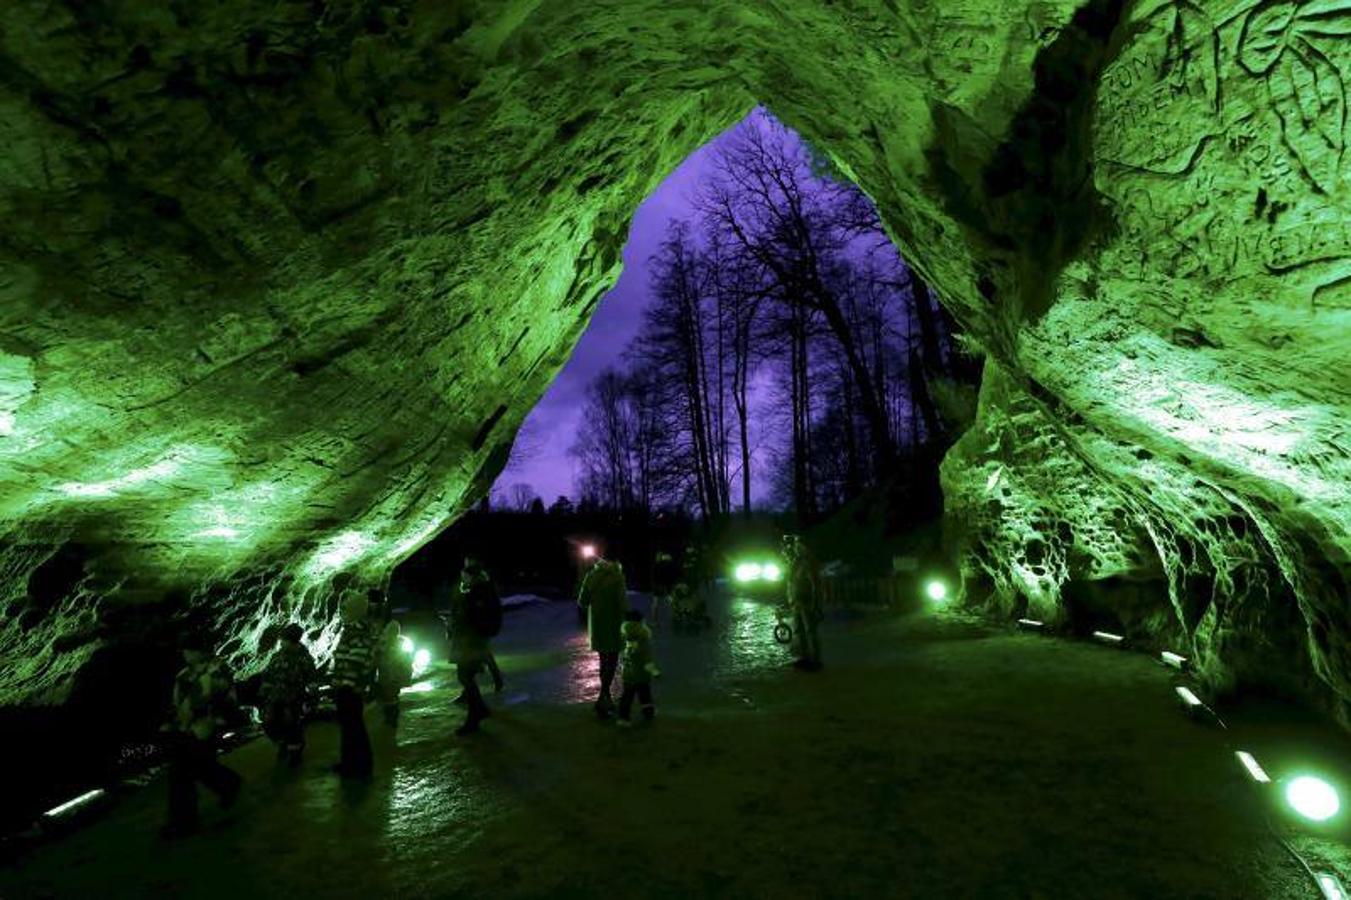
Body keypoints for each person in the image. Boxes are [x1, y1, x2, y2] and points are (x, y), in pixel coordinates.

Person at [162, 635, 243, 838]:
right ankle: (228, 784)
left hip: (206, 728)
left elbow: (214, 698)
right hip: (186, 729)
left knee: (185, 772)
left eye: (188, 650)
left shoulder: (216, 671)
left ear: (200, 652)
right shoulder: (184, 674)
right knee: (195, 769)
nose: (184, 654)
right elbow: (177, 701)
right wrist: (173, 723)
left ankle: (183, 821)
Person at [447, 556, 502, 735]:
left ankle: (475, 716)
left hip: (471, 642)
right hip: (475, 641)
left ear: (471, 576)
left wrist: (455, 622)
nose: (463, 579)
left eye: (464, 576)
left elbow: (469, 617)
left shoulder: (477, 591)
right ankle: (479, 710)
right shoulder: (483, 588)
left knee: (465, 677)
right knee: (466, 676)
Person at [330, 591, 377, 777]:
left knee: (353, 726)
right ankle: (352, 763)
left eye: (345, 608)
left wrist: (345, 684)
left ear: (354, 610)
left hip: (349, 687)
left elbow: (356, 660)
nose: (342, 611)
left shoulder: (357, 631)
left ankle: (358, 766)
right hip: (348, 685)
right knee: (351, 726)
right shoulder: (354, 628)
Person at [577, 555, 628, 717]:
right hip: (614, 623)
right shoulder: (617, 576)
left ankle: (604, 698)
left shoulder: (591, 575)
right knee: (612, 661)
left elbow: (582, 601)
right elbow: (622, 602)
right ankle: (603, 697)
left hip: (598, 624)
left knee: (602, 660)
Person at [260, 622, 317, 765]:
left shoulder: (304, 659)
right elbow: (268, 673)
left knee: (292, 726)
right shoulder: (277, 656)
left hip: (293, 698)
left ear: (292, 641)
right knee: (268, 723)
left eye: (283, 640)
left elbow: (311, 679)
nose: (281, 643)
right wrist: (265, 689)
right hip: (275, 696)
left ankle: (294, 753)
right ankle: (282, 743)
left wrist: (311, 699)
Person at [784, 534, 823, 671]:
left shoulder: (808, 563)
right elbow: (790, 581)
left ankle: (815, 660)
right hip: (796, 601)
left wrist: (815, 603)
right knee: (798, 630)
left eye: (799, 545)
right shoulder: (796, 562)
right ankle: (803, 658)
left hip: (806, 601)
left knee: (810, 630)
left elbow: (815, 584)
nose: (797, 548)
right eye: (796, 545)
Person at [617, 609, 657, 727]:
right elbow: (646, 657)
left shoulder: (624, 634)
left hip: (628, 673)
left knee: (627, 696)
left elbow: (625, 653)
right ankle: (648, 713)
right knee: (645, 694)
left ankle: (623, 718)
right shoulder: (643, 636)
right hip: (642, 672)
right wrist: (653, 670)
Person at [375, 617, 413, 727]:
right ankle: (390, 717)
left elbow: (405, 662)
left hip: (391, 676)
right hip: (387, 675)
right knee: (389, 697)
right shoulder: (386, 644)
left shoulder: (389, 644)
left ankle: (391, 718)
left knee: (391, 697)